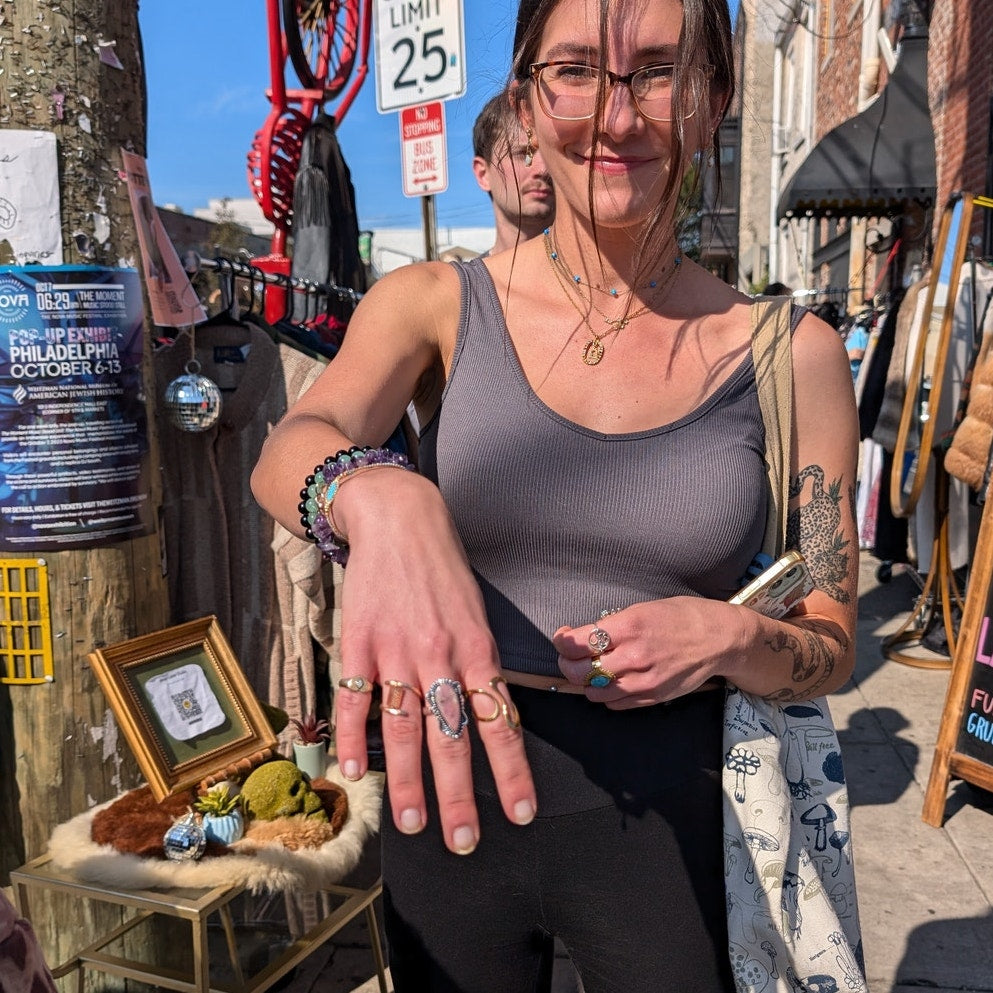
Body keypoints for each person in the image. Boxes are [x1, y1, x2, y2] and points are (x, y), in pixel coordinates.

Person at [251, 0, 860, 989]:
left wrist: (732, 638)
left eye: (657, 73)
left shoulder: (793, 356)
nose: (615, 118)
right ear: (526, 104)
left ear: (714, 101)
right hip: (446, 791)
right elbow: (290, 450)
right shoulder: (436, 305)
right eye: (575, 71)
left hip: (680, 814)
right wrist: (379, 498)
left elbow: (830, 642)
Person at [471, 89, 555, 254]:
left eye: (551, 154)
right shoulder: (464, 280)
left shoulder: (602, 275)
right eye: (524, 154)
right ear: (483, 174)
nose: (543, 169)